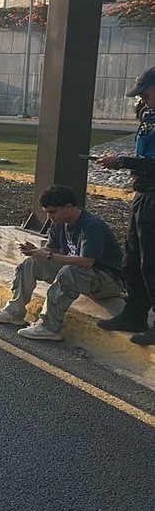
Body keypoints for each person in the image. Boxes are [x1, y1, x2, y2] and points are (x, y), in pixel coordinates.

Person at [0, 185, 125, 341]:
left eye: (53, 212)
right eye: (47, 212)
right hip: (81, 274)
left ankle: (49, 327)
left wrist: (48, 255)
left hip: (108, 281)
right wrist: (36, 251)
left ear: (69, 207)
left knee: (69, 272)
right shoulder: (59, 222)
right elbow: (53, 250)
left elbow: (87, 262)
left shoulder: (92, 226)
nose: (50, 217)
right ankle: (14, 312)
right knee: (31, 262)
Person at [96, 65, 155, 345]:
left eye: (145, 92)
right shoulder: (148, 115)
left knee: (152, 262)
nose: (142, 98)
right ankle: (135, 313)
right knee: (132, 259)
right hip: (143, 194)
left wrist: (122, 161)